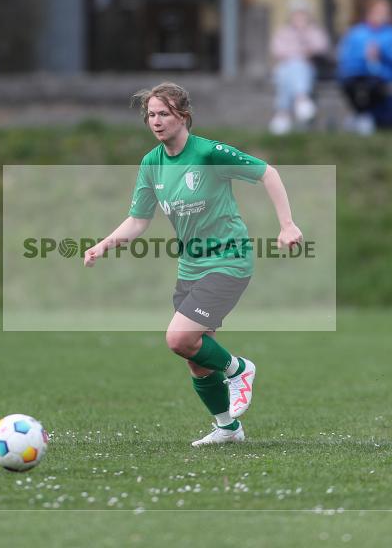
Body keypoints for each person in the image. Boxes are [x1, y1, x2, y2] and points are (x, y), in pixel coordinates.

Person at [84, 82, 303, 447]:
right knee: (196, 356)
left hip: (229, 260)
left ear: (183, 116)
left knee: (179, 338)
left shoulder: (209, 153)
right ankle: (228, 429)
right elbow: (138, 220)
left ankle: (239, 369)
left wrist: (287, 225)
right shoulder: (151, 164)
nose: (156, 121)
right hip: (190, 267)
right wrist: (104, 244)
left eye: (164, 114)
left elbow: (267, 172)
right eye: (151, 115)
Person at [337, 0, 392, 134]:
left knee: (375, 86)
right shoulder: (355, 33)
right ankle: (362, 116)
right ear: (369, 12)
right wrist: (364, 57)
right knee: (352, 84)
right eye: (378, 11)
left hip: (383, 76)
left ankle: (366, 117)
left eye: (385, 12)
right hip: (357, 74)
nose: (382, 15)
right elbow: (344, 57)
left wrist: (382, 53)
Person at [268, 0, 330, 135]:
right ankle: (301, 99)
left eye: (302, 14)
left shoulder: (314, 31)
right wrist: (300, 53)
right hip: (285, 68)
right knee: (289, 69)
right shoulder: (283, 32)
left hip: (308, 69)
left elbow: (321, 48)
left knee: (296, 67)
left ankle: (282, 114)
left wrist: (304, 37)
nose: (299, 18)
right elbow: (277, 51)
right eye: (296, 14)